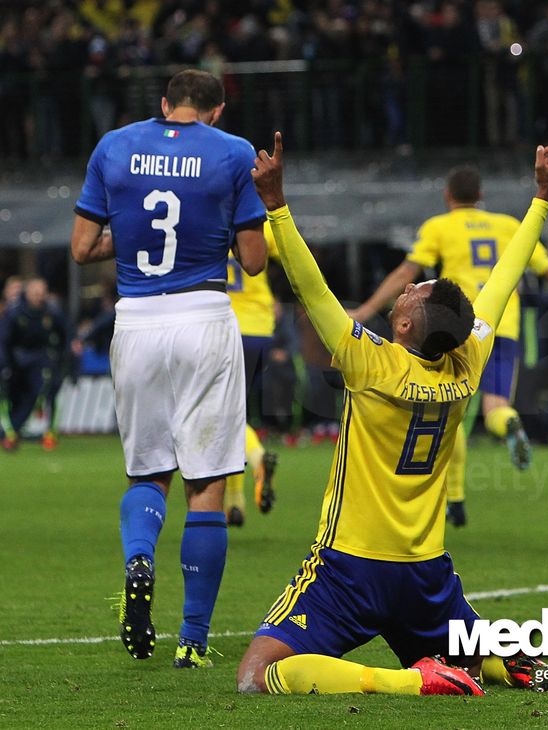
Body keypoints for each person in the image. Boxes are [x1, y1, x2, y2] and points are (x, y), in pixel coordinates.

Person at [236, 131, 548, 697]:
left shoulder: (371, 365)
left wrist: (277, 208)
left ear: (407, 325)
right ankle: (501, 661)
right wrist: (543, 196)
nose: (410, 284)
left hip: (351, 565)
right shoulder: (469, 358)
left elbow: (313, 290)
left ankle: (410, 683)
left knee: (255, 676)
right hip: (425, 571)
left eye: (416, 291)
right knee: (457, 637)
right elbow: (505, 279)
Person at [70, 69, 268, 667]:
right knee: (206, 485)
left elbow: (82, 248)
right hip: (204, 314)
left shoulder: (115, 145)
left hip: (136, 320)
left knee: (148, 474)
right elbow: (255, 261)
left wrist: (126, 243)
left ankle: (139, 556)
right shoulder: (232, 152)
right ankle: (193, 641)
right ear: (217, 109)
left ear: (163, 105)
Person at [348, 165, 548, 528]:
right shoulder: (508, 225)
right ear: (480, 196)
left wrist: (368, 310)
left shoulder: (439, 227)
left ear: (448, 196)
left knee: (451, 412)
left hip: (453, 326)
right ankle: (509, 422)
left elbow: (406, 274)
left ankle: (455, 499)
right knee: (497, 405)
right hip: (499, 325)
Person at [223, 226, 281, 528]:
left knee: (227, 416)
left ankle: (255, 463)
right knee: (235, 413)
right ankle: (235, 504)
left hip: (225, 328)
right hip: (260, 329)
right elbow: (287, 252)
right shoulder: (260, 223)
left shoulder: (210, 214)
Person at [0, 277, 68, 451]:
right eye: (36, 293)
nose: (40, 296)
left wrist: (61, 358)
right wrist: (6, 364)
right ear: (28, 293)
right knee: (15, 397)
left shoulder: (52, 311)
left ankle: (13, 433)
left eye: (42, 293)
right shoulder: (15, 312)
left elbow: (66, 334)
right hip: (16, 360)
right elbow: (5, 340)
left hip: (40, 359)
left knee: (37, 394)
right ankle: (11, 431)